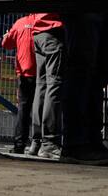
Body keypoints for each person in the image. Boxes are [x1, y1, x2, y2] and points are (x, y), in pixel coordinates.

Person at [60, 12, 108, 166]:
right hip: (85, 5)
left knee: (103, 71)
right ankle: (75, 144)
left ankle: (93, 142)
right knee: (81, 69)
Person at [2, 14, 37, 154]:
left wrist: (6, 35)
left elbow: (6, 44)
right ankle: (40, 143)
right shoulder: (41, 21)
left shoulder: (19, 23)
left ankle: (19, 144)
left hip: (24, 73)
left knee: (23, 109)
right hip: (42, 72)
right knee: (41, 108)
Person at [31, 13, 65, 159]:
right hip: (55, 29)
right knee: (54, 85)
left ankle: (37, 141)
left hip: (39, 31)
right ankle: (50, 141)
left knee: (41, 86)